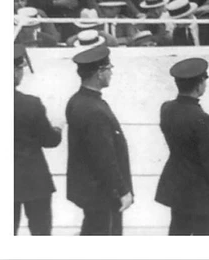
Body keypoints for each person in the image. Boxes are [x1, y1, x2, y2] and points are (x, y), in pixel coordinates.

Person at [155, 58, 209, 235]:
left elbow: (186, 130)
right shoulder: (203, 119)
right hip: (203, 195)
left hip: (179, 189)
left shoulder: (167, 109)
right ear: (199, 85)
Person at [65, 45, 133, 235]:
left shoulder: (77, 100)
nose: (111, 72)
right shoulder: (94, 109)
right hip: (103, 193)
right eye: (109, 68)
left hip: (91, 191)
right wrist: (122, 190)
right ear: (99, 73)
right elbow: (104, 156)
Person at [14, 44, 61, 235]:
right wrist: (58, 128)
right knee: (41, 233)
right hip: (34, 180)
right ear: (15, 72)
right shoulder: (30, 104)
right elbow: (50, 140)